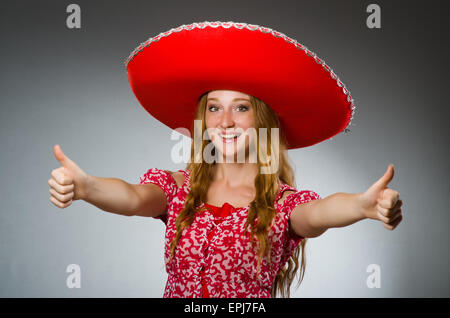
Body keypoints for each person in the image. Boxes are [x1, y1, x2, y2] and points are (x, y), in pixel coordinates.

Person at [48, 22, 403, 298]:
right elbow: (133, 198)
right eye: (214, 108)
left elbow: (320, 213)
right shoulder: (177, 189)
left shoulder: (281, 204)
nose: (225, 121)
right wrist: (87, 187)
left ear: (262, 121)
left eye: (242, 108)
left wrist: (361, 205)